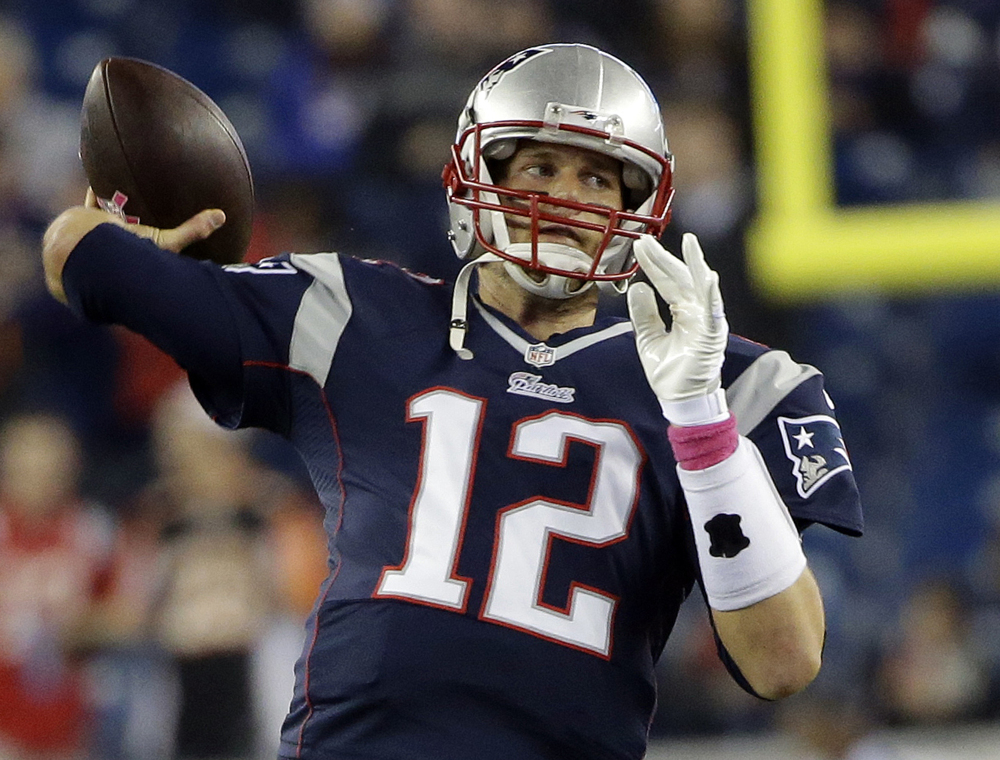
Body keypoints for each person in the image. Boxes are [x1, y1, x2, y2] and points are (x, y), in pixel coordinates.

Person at [41, 43, 862, 760]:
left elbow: (783, 663)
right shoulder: (357, 315)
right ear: (479, 176)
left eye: (596, 175)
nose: (565, 198)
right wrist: (119, 233)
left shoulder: (734, 384)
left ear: (637, 206)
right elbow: (78, 252)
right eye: (538, 165)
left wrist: (701, 426)